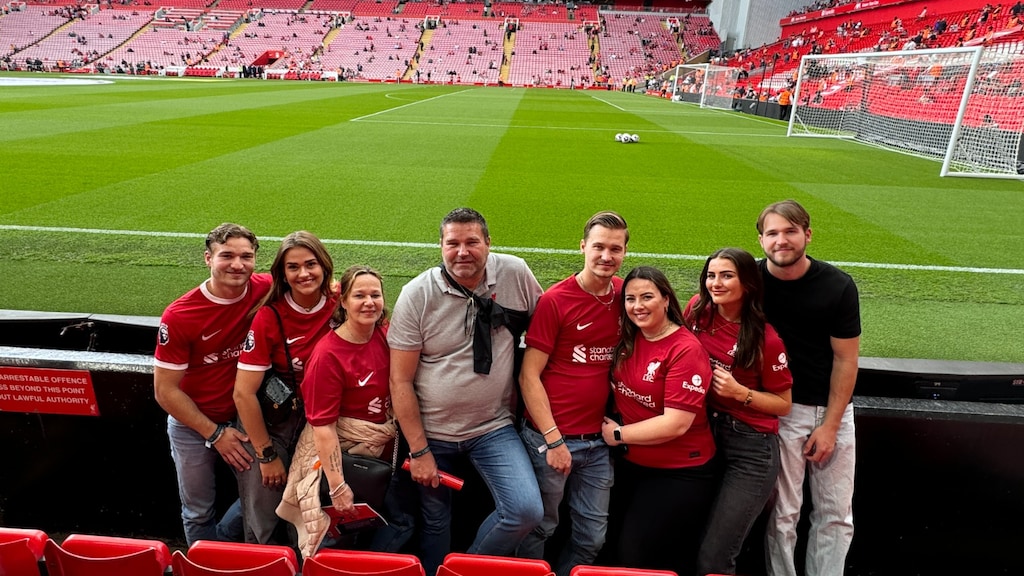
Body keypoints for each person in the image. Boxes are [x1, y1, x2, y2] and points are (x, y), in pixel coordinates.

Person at [388, 207, 544, 575]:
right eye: (453, 243)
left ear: (489, 243)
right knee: (436, 523)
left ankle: (463, 568)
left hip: (493, 428)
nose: (463, 251)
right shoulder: (417, 294)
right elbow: (400, 380)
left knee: (525, 510)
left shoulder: (515, 273)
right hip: (433, 435)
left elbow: (549, 325)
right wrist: (420, 450)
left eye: (472, 242)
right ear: (440, 246)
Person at [517, 211, 629, 576]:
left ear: (625, 251)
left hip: (598, 443)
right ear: (583, 247)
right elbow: (528, 376)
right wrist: (553, 441)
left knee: (591, 539)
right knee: (540, 528)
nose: (606, 256)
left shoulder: (627, 297)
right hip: (552, 440)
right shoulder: (556, 300)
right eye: (598, 247)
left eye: (615, 248)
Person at [757, 200, 861, 576]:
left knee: (835, 514)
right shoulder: (750, 282)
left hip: (832, 411)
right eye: (772, 233)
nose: (781, 240)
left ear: (807, 234)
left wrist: (831, 426)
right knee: (782, 514)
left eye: (790, 231)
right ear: (760, 239)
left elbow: (846, 359)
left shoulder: (837, 285)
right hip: (779, 411)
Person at [154, 223, 271, 546]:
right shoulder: (181, 315)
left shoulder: (266, 288)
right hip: (193, 424)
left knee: (265, 492)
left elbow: (324, 285)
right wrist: (215, 434)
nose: (238, 264)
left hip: (244, 418)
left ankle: (218, 548)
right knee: (197, 511)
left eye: (246, 256)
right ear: (208, 258)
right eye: (227, 255)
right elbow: (165, 390)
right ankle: (205, 564)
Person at [601, 266, 715, 576]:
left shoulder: (685, 349)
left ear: (666, 299)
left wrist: (619, 434)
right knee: (610, 550)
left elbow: (676, 423)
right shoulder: (629, 338)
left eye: (647, 297)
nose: (638, 305)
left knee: (635, 555)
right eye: (630, 298)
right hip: (632, 465)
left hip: (679, 471)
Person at [685, 248, 793, 576]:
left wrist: (740, 393)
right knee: (685, 542)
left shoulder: (766, 338)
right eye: (711, 275)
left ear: (747, 283)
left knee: (715, 557)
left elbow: (783, 403)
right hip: (702, 436)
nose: (715, 283)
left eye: (726, 276)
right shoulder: (697, 309)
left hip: (750, 450)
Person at [277, 265, 397, 559]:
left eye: (375, 295)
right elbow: (324, 427)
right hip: (342, 457)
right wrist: (337, 485)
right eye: (359, 295)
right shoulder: (328, 355)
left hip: (376, 450)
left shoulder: (384, 333)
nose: (369, 302)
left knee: (394, 524)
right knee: (331, 538)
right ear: (342, 301)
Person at [233, 231, 336, 546]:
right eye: (293, 267)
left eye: (311, 264)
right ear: (282, 274)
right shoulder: (269, 315)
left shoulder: (341, 305)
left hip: (317, 426)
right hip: (270, 424)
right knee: (262, 520)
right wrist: (266, 455)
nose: (304, 274)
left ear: (325, 267)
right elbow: (243, 393)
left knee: (307, 519)